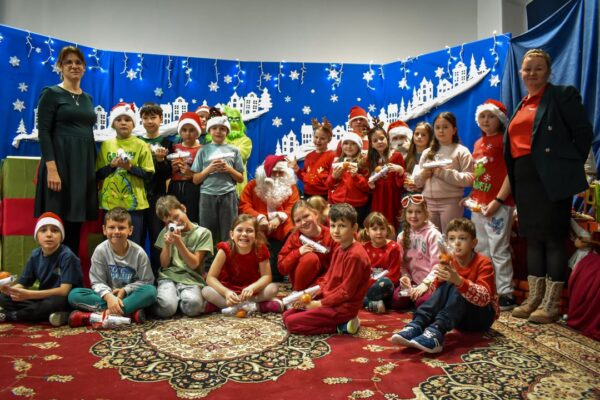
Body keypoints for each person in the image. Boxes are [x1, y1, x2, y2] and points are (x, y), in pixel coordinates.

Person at [505, 49, 593, 324]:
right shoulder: (522, 104)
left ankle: (551, 304)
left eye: (538, 68)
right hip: (524, 178)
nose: (531, 73)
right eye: (527, 68)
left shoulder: (562, 95)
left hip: (551, 178)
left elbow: (583, 134)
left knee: (553, 239)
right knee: (532, 238)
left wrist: (566, 167)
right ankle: (535, 298)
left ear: (549, 71)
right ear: (520, 72)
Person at [390, 218, 498, 354]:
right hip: (458, 318)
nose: (456, 243)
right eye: (452, 239)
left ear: (473, 243)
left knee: (458, 284)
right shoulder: (450, 261)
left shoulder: (484, 262)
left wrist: (459, 281)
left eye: (462, 238)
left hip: (480, 319)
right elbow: (435, 295)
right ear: (447, 242)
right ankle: (417, 324)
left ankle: (437, 331)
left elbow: (484, 299)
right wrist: (437, 281)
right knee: (448, 283)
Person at [34, 46, 98, 255]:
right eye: (68, 62)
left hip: (82, 166)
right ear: (60, 67)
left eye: (78, 62)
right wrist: (52, 170)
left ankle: (69, 271)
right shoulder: (51, 93)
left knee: (76, 221)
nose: (74, 66)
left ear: (84, 68)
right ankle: (51, 270)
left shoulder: (88, 98)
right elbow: (44, 132)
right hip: (59, 165)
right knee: (55, 222)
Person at [283, 203, 371, 335]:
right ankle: (338, 322)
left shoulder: (355, 255)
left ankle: (340, 327)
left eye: (342, 226)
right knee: (286, 315)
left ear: (354, 228)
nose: (336, 231)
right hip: (330, 300)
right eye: (333, 225)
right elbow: (327, 280)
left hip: (343, 308)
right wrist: (310, 295)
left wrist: (319, 304)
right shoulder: (339, 248)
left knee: (291, 323)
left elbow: (346, 292)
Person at [67, 208, 157, 327]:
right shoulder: (100, 251)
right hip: (106, 297)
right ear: (104, 230)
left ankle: (98, 316)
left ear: (130, 230)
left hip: (129, 296)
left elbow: (147, 281)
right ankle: (130, 313)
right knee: (74, 295)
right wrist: (109, 297)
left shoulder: (139, 253)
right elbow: (97, 282)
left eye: (121, 228)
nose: (116, 231)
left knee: (151, 291)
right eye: (111, 227)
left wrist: (125, 290)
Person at [468, 99, 516, 311]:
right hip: (479, 204)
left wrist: (499, 200)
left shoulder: (504, 141)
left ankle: (505, 293)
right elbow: (479, 174)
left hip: (499, 204)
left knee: (499, 247)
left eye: (491, 116)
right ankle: (487, 287)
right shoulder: (478, 143)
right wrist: (471, 197)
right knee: (481, 247)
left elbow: (511, 173)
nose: (486, 120)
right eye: (482, 116)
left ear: (501, 119)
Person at [0, 212, 83, 326]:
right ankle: (52, 315)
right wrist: (10, 290)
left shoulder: (67, 255)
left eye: (55, 230)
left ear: (61, 236)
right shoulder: (35, 255)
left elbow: (64, 291)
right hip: (42, 298)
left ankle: (13, 316)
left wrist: (29, 294)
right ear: (37, 237)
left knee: (52, 304)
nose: (49, 234)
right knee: (4, 298)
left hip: (63, 299)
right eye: (43, 230)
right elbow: (23, 284)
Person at [96, 102, 155, 246]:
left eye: (128, 120)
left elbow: (148, 175)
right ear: (112, 124)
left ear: (133, 124)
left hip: (134, 206)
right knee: (110, 245)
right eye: (119, 119)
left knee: (133, 245)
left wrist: (129, 167)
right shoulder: (106, 145)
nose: (123, 123)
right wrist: (112, 166)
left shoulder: (141, 145)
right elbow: (98, 174)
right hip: (110, 204)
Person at [201, 214, 282, 313]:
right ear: (232, 234)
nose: (244, 234)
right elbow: (210, 278)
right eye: (239, 230)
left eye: (249, 231)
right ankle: (255, 306)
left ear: (256, 235)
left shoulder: (260, 249)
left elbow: (266, 276)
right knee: (206, 291)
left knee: (273, 288)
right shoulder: (224, 249)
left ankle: (223, 306)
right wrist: (226, 292)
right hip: (228, 290)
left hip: (251, 291)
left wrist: (252, 288)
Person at [239, 155, 300, 282]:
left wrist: (278, 219)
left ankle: (282, 271)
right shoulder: (253, 185)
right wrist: (260, 218)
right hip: (258, 226)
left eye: (280, 172)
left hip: (282, 227)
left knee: (293, 230)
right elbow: (244, 205)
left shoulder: (291, 187)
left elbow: (293, 207)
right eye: (273, 172)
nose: (277, 175)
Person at [152, 196, 213, 318]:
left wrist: (178, 242)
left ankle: (177, 302)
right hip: (168, 277)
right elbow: (164, 264)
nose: (175, 223)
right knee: (166, 308)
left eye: (176, 217)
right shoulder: (166, 231)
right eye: (169, 222)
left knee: (194, 306)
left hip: (191, 279)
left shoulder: (203, 233)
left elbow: (194, 264)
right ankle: (172, 302)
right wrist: (167, 245)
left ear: (183, 208)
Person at [414, 112, 474, 233]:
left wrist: (443, 173)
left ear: (454, 130)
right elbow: (417, 182)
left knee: (450, 236)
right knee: (432, 238)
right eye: (437, 127)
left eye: (445, 127)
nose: (441, 131)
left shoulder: (462, 151)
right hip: (428, 203)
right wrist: (423, 175)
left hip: (451, 202)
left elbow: (469, 179)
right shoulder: (427, 152)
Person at [192, 114, 244, 245]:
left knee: (229, 233)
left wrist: (229, 169)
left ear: (227, 131)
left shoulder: (234, 150)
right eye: (214, 128)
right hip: (207, 196)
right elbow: (196, 180)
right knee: (206, 234)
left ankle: (227, 257)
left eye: (222, 128)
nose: (218, 131)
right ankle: (208, 258)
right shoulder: (203, 150)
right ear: (209, 131)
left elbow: (240, 178)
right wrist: (209, 169)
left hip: (228, 195)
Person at [139, 102, 174, 277]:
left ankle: (159, 276)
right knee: (137, 238)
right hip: (138, 196)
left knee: (157, 239)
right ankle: (138, 276)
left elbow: (169, 174)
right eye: (146, 118)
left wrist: (161, 161)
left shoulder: (168, 143)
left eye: (153, 117)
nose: (150, 121)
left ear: (161, 119)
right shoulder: (137, 142)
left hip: (158, 198)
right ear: (141, 120)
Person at [392, 194, 441, 310]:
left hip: (430, 282)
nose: (413, 216)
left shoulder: (434, 235)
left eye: (418, 212)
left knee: (422, 303)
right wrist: (406, 277)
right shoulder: (402, 236)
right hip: (413, 281)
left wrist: (425, 284)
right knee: (397, 301)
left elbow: (438, 266)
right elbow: (402, 264)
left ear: (426, 214)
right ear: (405, 214)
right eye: (410, 212)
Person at [278, 200, 334, 291]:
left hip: (325, 282)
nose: (303, 222)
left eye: (306, 216)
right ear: (294, 224)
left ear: (316, 214)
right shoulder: (294, 238)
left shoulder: (331, 235)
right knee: (310, 258)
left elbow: (337, 266)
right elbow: (282, 268)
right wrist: (298, 253)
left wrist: (319, 285)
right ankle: (297, 293)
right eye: (298, 220)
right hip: (301, 285)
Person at [358, 212, 400, 314]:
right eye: (374, 229)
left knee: (385, 283)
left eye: (382, 228)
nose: (379, 232)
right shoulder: (363, 248)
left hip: (385, 286)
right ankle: (373, 303)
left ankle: (365, 301)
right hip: (367, 285)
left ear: (387, 230)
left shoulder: (394, 247)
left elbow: (394, 276)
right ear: (367, 231)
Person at [366, 124, 406, 231]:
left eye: (381, 138)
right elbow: (369, 183)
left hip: (393, 195)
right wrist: (371, 186)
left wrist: (400, 170)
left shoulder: (396, 156)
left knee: (393, 222)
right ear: (371, 144)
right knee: (379, 222)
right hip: (378, 197)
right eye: (375, 140)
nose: (379, 142)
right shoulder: (370, 160)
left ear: (387, 139)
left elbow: (402, 181)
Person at [327, 131, 371, 227]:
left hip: (357, 206)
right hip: (338, 204)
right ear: (342, 146)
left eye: (353, 144)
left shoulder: (363, 163)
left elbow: (368, 188)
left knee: (356, 230)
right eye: (346, 143)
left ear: (358, 146)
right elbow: (329, 186)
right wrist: (334, 177)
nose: (349, 146)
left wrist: (356, 176)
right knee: (339, 230)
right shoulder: (337, 163)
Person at [168, 112, 203, 224]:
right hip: (174, 187)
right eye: (184, 130)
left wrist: (191, 174)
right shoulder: (173, 148)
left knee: (192, 220)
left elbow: (205, 174)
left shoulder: (202, 150)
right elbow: (165, 173)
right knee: (173, 219)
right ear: (180, 132)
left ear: (198, 132)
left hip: (193, 189)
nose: (188, 134)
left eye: (192, 130)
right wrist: (172, 169)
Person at [290, 118, 335, 199]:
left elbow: (333, 178)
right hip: (307, 194)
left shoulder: (331, 155)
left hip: (324, 195)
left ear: (328, 140)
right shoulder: (309, 156)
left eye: (322, 138)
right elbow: (305, 177)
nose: (318, 140)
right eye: (316, 137)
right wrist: (297, 169)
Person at [403, 122, 434, 193]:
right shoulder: (407, 155)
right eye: (417, 134)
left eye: (423, 135)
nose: (419, 137)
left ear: (430, 137)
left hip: (427, 194)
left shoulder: (432, 156)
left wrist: (419, 186)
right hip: (410, 194)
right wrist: (406, 182)